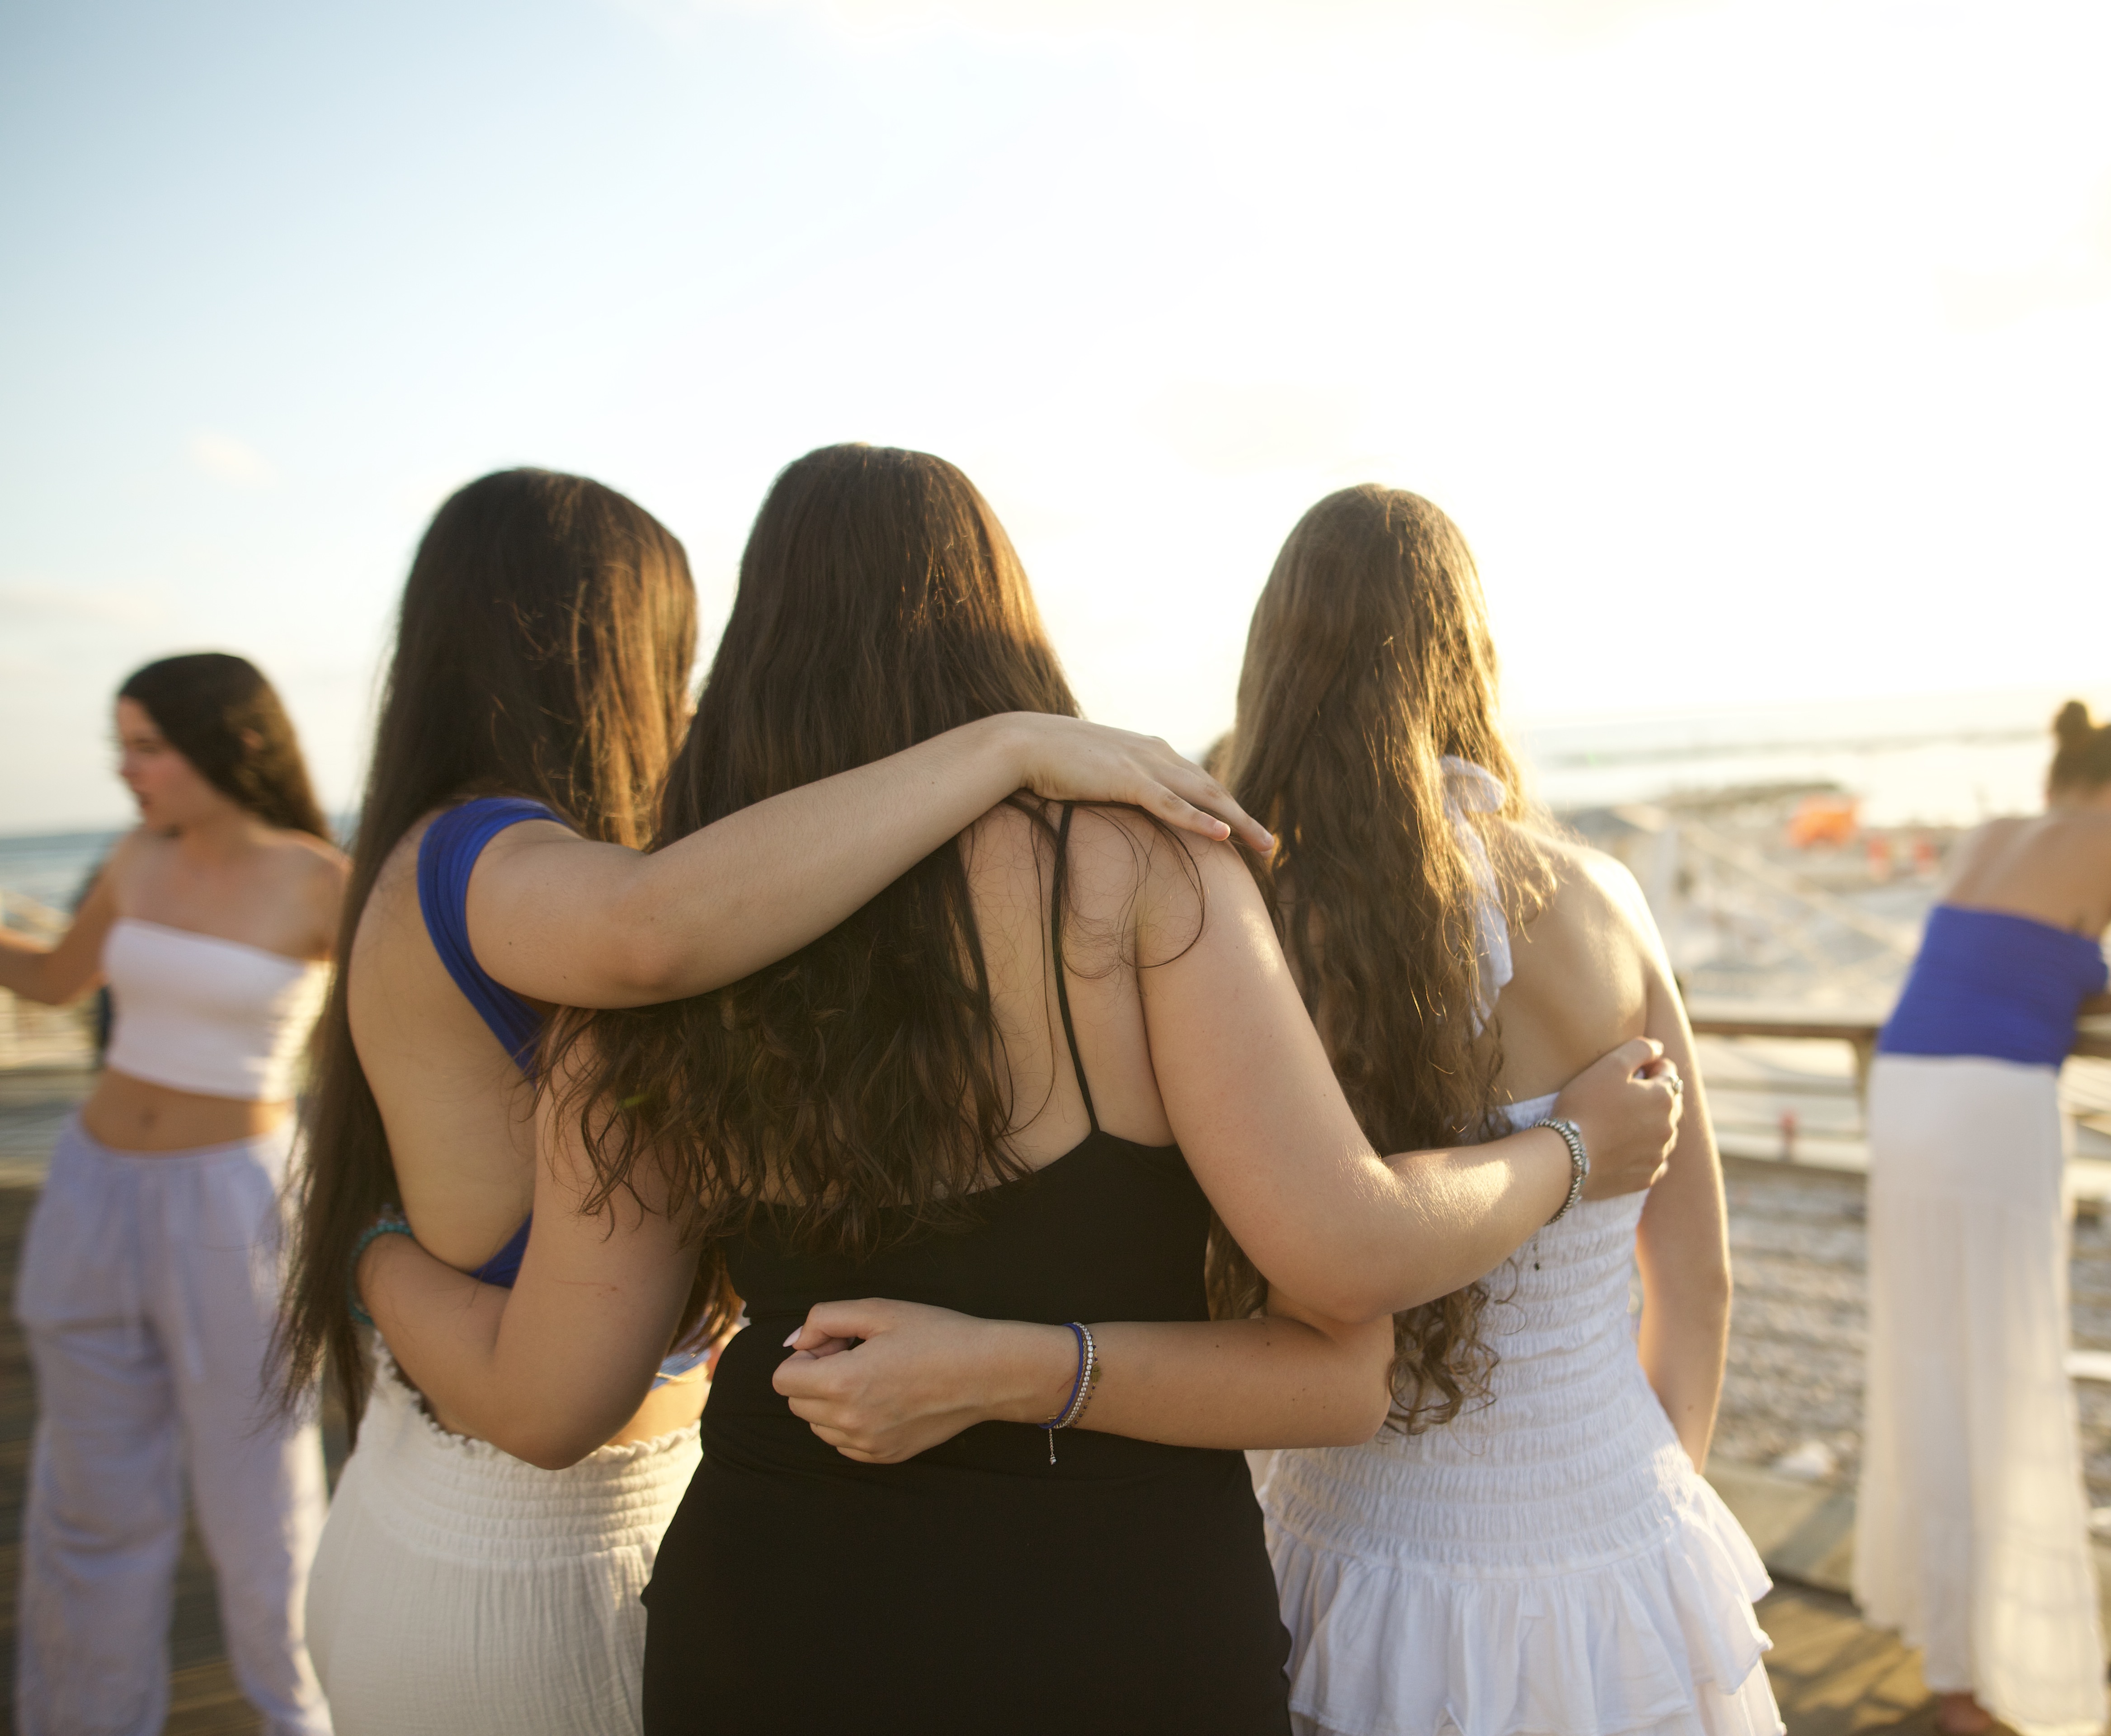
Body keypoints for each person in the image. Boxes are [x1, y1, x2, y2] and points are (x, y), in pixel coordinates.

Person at [351, 444, 1682, 1733]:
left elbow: (553, 1402)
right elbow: (1342, 1282)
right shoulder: (1143, 867)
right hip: (1117, 1633)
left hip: (773, 1632)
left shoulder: (680, 941)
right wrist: (1572, 1148)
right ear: (1010, 639)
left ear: (749, 658)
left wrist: (370, 1252)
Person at [274, 467, 1274, 1736]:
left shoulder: (489, 872)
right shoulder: (507, 863)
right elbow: (656, 932)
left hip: (487, 1521)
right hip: (531, 1561)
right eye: (675, 645)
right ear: (607, 652)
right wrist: (1004, 742)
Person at [1216, 486, 1781, 1736]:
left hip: (1352, 1549)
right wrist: (1652, 1499)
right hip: (1616, 1531)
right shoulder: (1606, 897)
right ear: (1469, 656)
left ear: (1279, 664)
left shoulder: (1254, 929)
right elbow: (1696, 1271)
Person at [0, 653, 344, 1736]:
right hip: (95, 1186)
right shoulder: (135, 857)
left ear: (224, 745)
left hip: (232, 1207)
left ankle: (304, 1718)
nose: (127, 771)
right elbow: (59, 982)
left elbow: (389, 1055)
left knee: (263, 1502)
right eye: (123, 746)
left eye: (147, 747)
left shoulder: (322, 879)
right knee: (87, 1501)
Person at [1854, 700, 2111, 1736]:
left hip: (1904, 1087)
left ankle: (1950, 1652)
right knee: (2005, 1373)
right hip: (1994, 1102)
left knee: (1930, 1361)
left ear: (2059, 780)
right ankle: (1987, 1678)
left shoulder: (1990, 835)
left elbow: (1983, 969)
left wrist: (2073, 984)